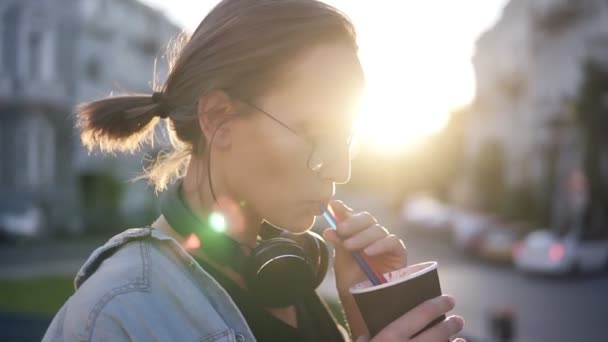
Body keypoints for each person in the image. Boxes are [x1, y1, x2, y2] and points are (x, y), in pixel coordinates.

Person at [43, 0, 465, 341]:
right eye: (317, 133)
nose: (341, 168)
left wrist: (369, 324)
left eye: (346, 139)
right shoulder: (116, 317)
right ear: (219, 119)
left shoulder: (286, 277)